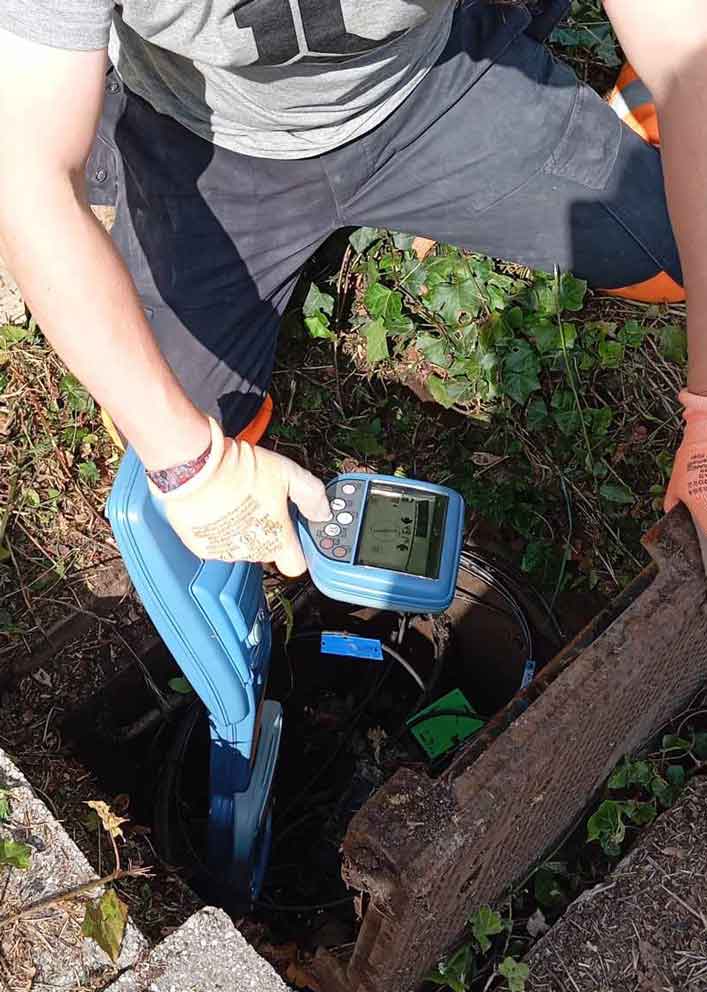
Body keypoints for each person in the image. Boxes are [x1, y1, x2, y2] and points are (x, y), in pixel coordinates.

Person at [0, 1, 704, 577]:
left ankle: (598, 89)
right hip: (202, 138)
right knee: (176, 415)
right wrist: (190, 461)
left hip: (431, 87)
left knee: (671, 260)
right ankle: (100, 123)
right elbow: (24, 174)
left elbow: (688, 58)